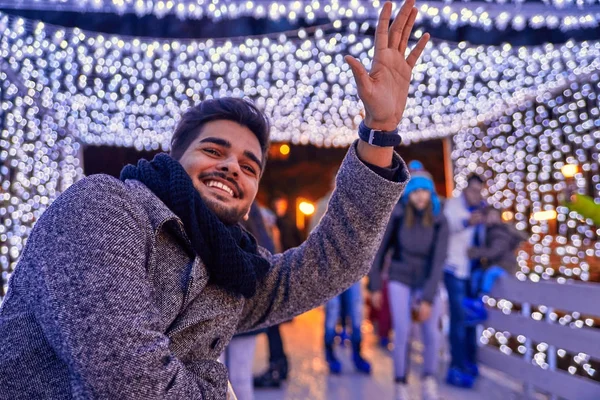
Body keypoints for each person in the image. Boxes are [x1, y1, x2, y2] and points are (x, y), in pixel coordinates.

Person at [0, 2, 430, 398]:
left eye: (249, 166)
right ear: (175, 159)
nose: (231, 167)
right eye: (212, 150)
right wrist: (216, 386)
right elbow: (127, 378)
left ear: (251, 196)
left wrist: (380, 130)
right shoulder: (104, 207)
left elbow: (334, 260)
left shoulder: (235, 273)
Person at [370, 160, 449, 400]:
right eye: (415, 191)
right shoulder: (398, 215)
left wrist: (426, 299)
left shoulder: (439, 221)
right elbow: (380, 252)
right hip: (400, 276)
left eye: (424, 190)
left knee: (430, 333)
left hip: (426, 278)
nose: (420, 196)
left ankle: (428, 379)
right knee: (402, 330)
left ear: (431, 193)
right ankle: (400, 382)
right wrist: (374, 287)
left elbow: (438, 262)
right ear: (409, 194)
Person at [310, 182, 371, 375]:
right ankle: (330, 353)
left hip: (353, 270)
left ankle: (357, 353)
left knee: (356, 311)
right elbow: (312, 238)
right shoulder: (322, 205)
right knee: (332, 311)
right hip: (330, 270)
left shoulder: (357, 206)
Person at [220, 201, 277, 400]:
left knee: (237, 377)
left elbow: (266, 254)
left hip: (240, 303)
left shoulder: (249, 211)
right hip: (223, 307)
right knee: (233, 377)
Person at [443, 173, 487, 388]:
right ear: (466, 190)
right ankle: (456, 367)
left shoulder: (483, 209)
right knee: (459, 319)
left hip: (473, 273)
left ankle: (468, 363)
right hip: (454, 270)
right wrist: (468, 221)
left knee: (471, 321)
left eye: (479, 191)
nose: (475, 195)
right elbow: (448, 226)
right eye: (472, 191)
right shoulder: (454, 206)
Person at [252, 194, 300, 388]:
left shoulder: (257, 214)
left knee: (270, 324)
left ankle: (277, 365)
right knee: (272, 325)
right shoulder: (268, 217)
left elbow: (269, 244)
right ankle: (279, 363)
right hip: (273, 270)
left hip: (265, 273)